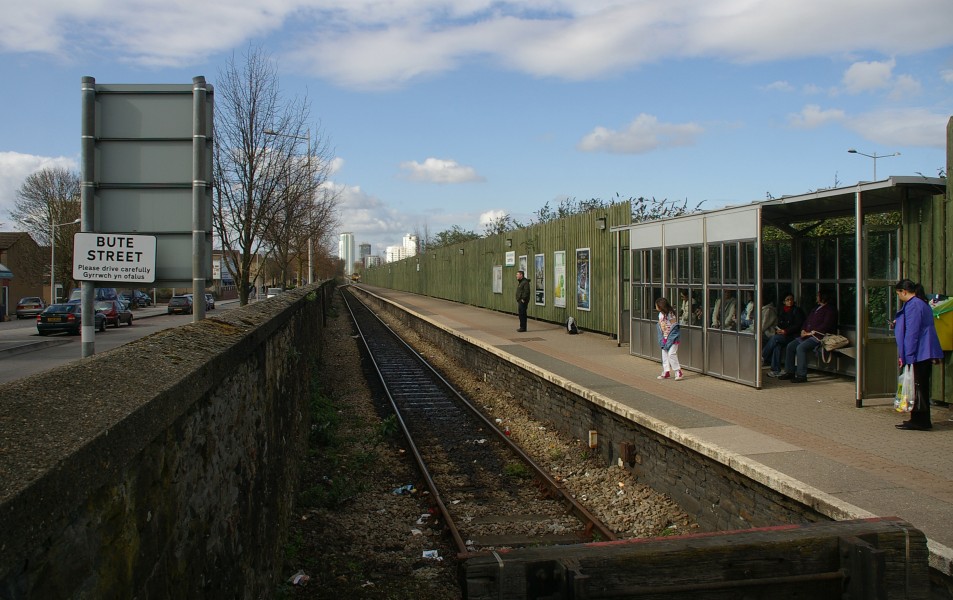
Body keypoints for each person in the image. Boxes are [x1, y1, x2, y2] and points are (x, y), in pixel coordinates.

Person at [893, 279, 943, 430]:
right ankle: (917, 418)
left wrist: (906, 355)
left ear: (904, 291)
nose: (899, 296)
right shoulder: (921, 303)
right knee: (918, 386)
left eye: (898, 293)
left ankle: (921, 420)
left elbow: (912, 332)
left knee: (918, 386)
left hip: (919, 352)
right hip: (925, 350)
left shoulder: (913, 305)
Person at [777, 290, 837, 383]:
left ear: (823, 297)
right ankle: (789, 371)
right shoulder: (816, 308)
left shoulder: (830, 310)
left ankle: (801, 375)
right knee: (790, 346)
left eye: (818, 296)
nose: (816, 297)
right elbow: (807, 321)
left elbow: (826, 325)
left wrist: (811, 332)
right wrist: (803, 330)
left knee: (801, 348)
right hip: (806, 334)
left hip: (818, 336)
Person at [764, 293, 805, 377]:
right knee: (777, 346)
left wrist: (785, 331)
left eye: (791, 299)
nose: (790, 301)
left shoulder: (797, 311)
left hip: (793, 336)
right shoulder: (782, 310)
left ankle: (762, 356)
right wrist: (778, 330)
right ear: (784, 302)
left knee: (775, 339)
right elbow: (779, 323)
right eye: (787, 300)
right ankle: (776, 370)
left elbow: (798, 325)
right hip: (783, 335)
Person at [655, 297, 683, 380]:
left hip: (672, 338)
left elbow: (674, 325)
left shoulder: (670, 314)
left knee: (671, 354)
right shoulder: (660, 314)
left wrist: (670, 334)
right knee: (664, 355)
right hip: (664, 337)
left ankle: (678, 371)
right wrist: (661, 326)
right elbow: (660, 324)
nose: (656, 307)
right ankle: (666, 371)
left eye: (657, 305)